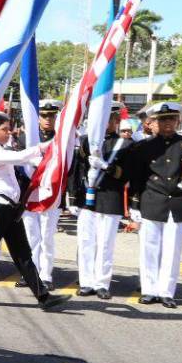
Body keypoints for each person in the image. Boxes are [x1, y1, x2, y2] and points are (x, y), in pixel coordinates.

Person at [0, 114, 69, 311]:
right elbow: (21, 157)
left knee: (22, 253)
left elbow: (23, 159)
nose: (9, 132)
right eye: (4, 129)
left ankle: (43, 296)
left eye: (9, 129)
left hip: (9, 207)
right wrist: (51, 144)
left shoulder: (0, 149)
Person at [125, 102, 182, 308]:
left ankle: (166, 291)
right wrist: (134, 205)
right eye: (163, 119)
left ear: (178, 121)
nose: (167, 123)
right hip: (152, 201)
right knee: (149, 249)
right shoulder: (144, 147)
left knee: (172, 251)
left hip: (179, 202)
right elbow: (137, 178)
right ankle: (148, 289)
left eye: (171, 119)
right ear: (154, 121)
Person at [69, 106, 128, 300]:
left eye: (110, 120)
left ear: (116, 121)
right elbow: (77, 171)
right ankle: (86, 282)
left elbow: (125, 174)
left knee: (105, 244)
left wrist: (106, 166)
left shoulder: (124, 144)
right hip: (88, 198)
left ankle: (102, 283)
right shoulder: (86, 141)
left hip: (110, 199)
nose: (106, 124)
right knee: (86, 241)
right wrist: (72, 197)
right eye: (102, 120)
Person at [22, 101, 62, 288]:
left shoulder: (62, 139)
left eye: (51, 116)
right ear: (37, 117)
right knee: (31, 236)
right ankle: (31, 273)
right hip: (30, 193)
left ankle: (46, 274)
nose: (48, 119)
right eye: (44, 115)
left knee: (47, 236)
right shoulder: (26, 138)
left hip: (51, 194)